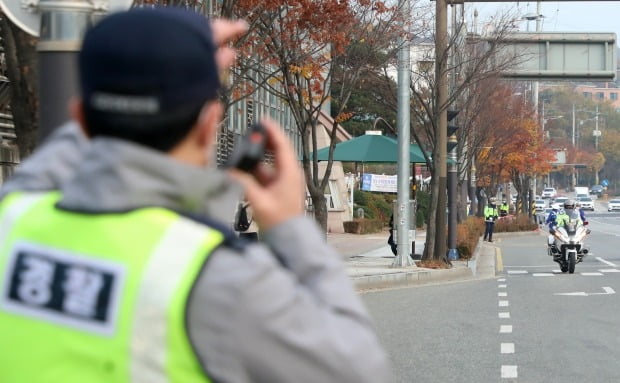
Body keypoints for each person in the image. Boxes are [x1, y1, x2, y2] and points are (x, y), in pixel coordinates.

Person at [0, 8, 390, 383]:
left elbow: (62, 154)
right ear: (209, 126)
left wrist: (135, 71)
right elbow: (359, 369)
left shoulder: (14, 215)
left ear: (81, 119)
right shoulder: (219, 278)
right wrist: (290, 228)